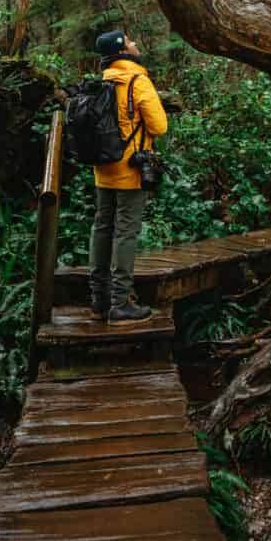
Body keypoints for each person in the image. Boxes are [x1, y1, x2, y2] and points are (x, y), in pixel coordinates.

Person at [89, 28, 168, 322]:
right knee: (125, 233)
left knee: (102, 228)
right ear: (123, 51)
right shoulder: (137, 80)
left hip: (103, 168)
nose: (135, 44)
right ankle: (120, 302)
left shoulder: (104, 81)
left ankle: (99, 299)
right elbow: (159, 126)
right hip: (130, 170)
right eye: (130, 41)